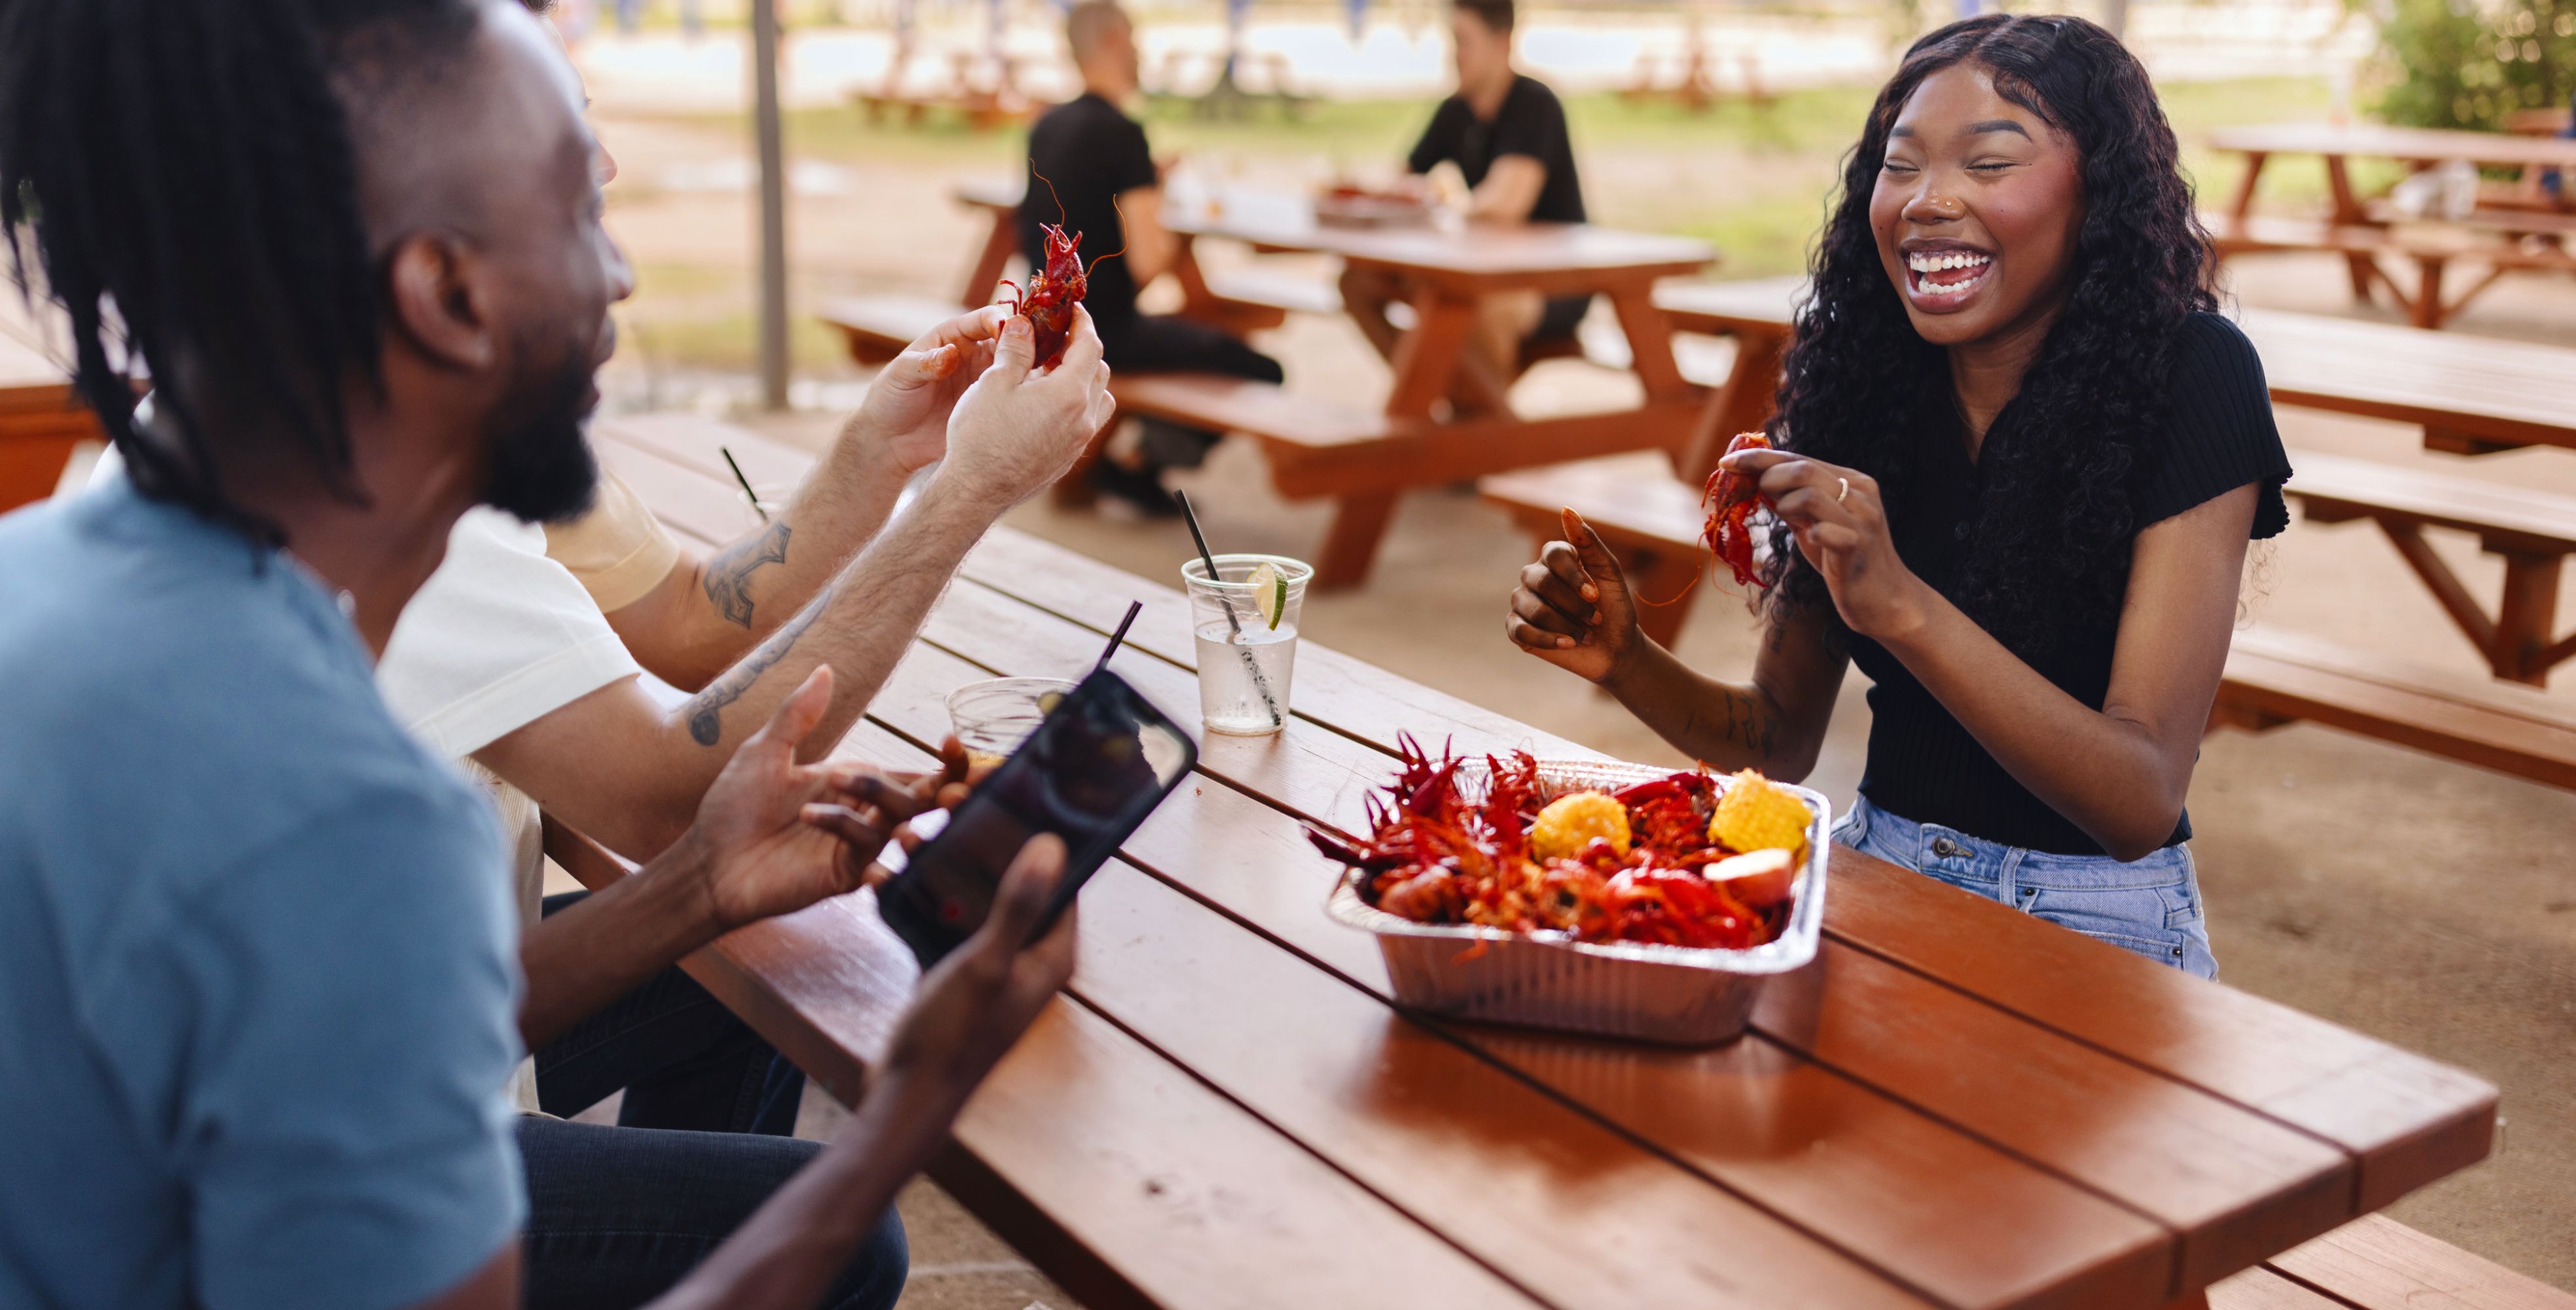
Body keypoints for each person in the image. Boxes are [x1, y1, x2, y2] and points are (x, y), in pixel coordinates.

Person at [0, 3, 1101, 1309]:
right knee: (843, 1236)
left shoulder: (60, 565)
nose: (621, 279)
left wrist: (695, 887)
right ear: (447, 294)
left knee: (739, 988)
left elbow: (355, 1030)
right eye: (579, 208)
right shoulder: (345, 811)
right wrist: (902, 1121)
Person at [1505, 14, 2291, 978]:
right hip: (1879, 875)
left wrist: (1904, 608)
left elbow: (2138, 798)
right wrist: (1627, 660)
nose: (1928, 201)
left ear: (2101, 194)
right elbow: (1779, 737)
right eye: (1901, 164)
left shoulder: (2194, 375)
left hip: (2098, 918)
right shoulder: (1864, 377)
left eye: (1989, 164)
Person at [1016, 0, 1283, 515]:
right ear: (1114, 41)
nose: (1139, 52)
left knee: (1200, 334)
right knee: (1260, 367)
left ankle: (1114, 467)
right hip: (1106, 332)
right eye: (1134, 40)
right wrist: (1157, 203)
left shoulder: (1046, 127)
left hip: (1051, 325)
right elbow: (1147, 262)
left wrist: (1142, 181)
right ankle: (1135, 467)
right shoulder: (1123, 133)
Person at [1340, 0, 1588, 405]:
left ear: (1502, 43)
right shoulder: (1457, 110)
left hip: (1554, 281)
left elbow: (1505, 203)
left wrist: (1436, 204)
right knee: (1359, 282)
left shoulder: (1534, 104)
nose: (1453, 55)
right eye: (1451, 42)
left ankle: (1474, 425)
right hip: (1486, 268)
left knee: (1478, 305)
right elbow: (1398, 184)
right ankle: (1449, 405)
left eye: (1463, 42)